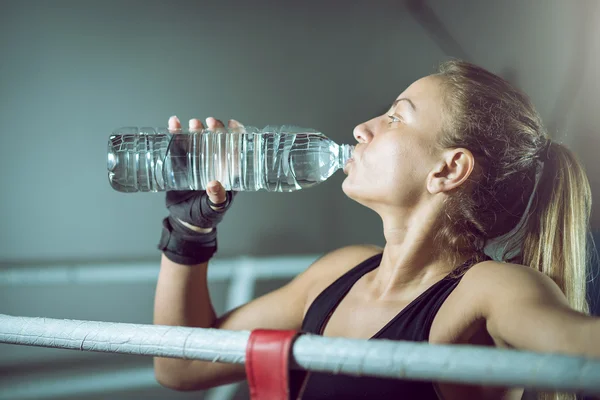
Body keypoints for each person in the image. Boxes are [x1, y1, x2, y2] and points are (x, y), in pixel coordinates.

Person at [152, 60, 597, 400]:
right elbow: (181, 368)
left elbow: (580, 344)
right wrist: (189, 229)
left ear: (449, 168)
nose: (362, 129)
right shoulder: (339, 272)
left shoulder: (491, 290)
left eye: (396, 118)